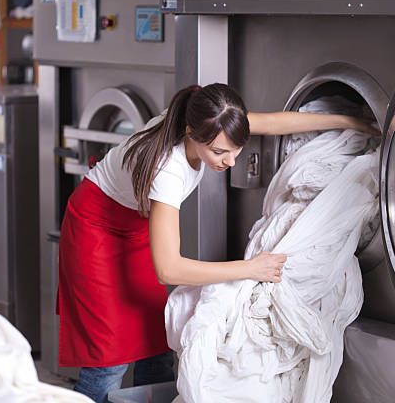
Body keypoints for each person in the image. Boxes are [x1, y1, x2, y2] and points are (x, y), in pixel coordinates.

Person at [57, 83, 378, 403]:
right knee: (109, 362)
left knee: (154, 347)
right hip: (96, 228)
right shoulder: (168, 169)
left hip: (138, 226)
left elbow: (276, 122)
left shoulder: (213, 118)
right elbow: (168, 269)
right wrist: (250, 268)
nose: (229, 162)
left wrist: (352, 123)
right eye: (219, 153)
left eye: (235, 151)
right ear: (191, 134)